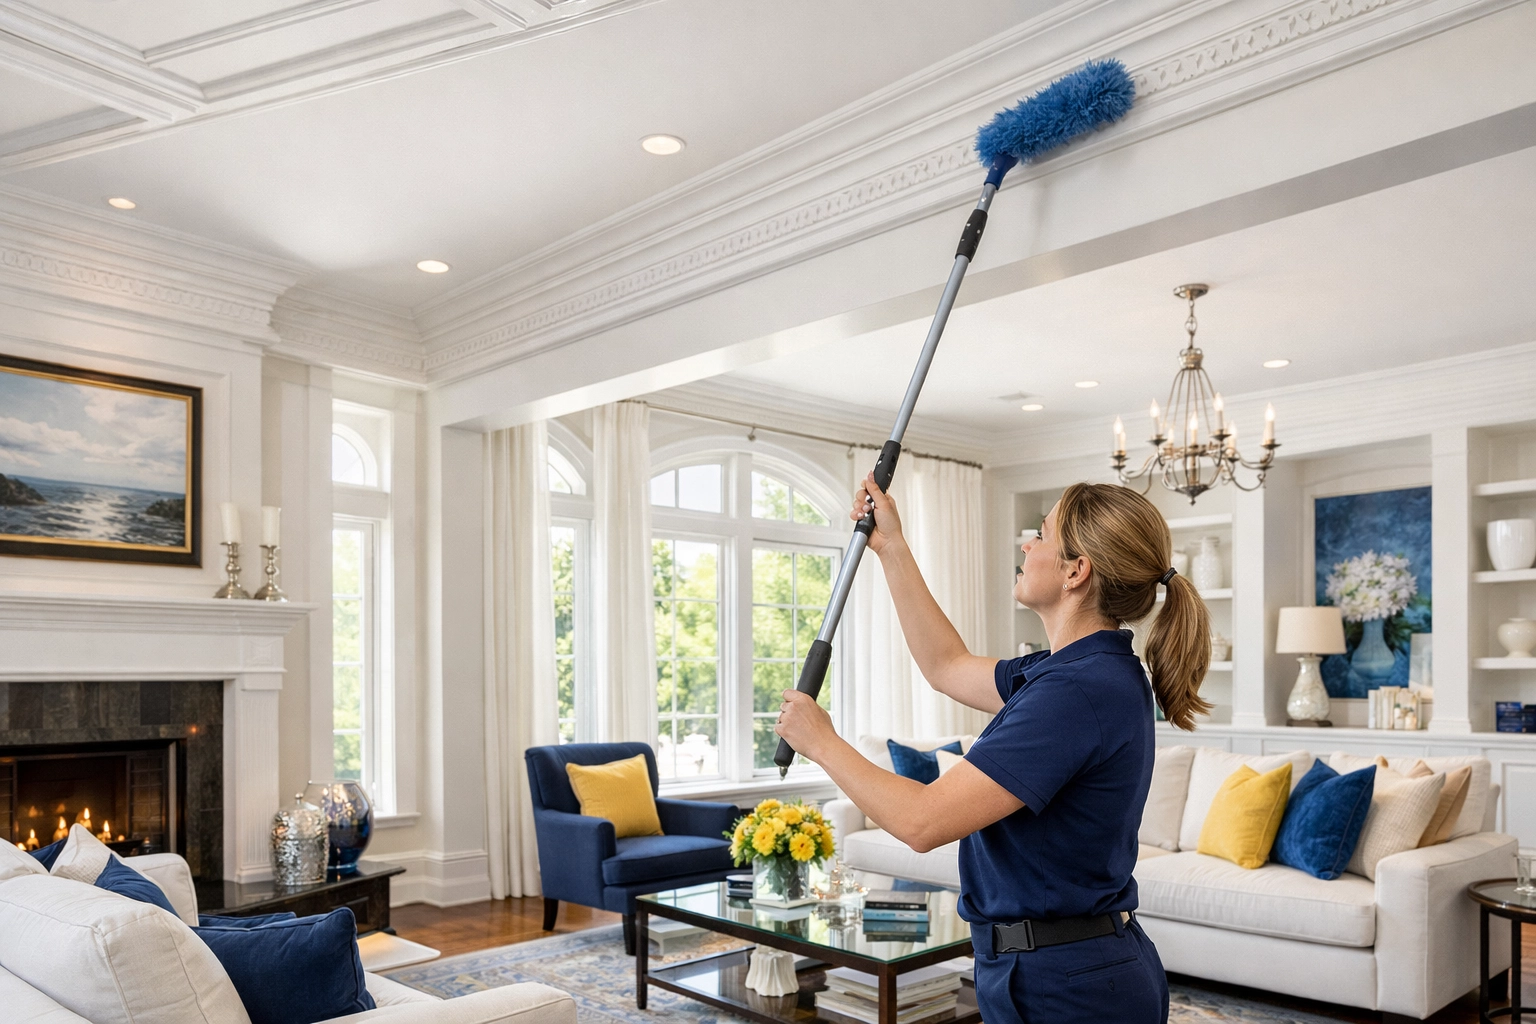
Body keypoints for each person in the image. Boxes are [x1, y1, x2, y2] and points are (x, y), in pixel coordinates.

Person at [775, 476, 1212, 1024]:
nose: (1026, 545)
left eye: (1042, 534)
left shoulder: (1076, 692)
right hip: (1050, 968)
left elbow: (922, 821)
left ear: (1076, 571)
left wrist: (822, 742)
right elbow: (946, 666)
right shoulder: (1075, 672)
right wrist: (893, 548)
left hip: (1067, 985)